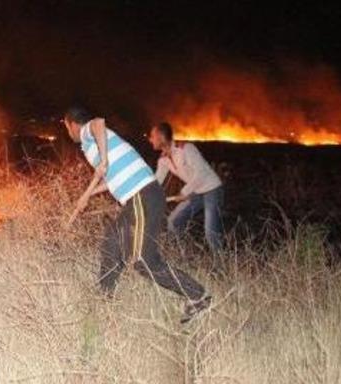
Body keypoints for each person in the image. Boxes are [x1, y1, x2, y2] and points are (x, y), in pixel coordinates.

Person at [63, 107, 210, 322]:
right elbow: (112, 176)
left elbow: (99, 122)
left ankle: (198, 296)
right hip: (136, 199)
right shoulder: (93, 145)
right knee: (111, 244)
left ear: (72, 124)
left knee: (143, 259)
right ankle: (104, 304)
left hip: (142, 195)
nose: (69, 133)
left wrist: (103, 160)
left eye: (67, 128)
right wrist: (89, 194)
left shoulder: (88, 132)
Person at [149, 122, 224, 254]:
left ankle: (222, 267)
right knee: (173, 222)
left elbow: (201, 173)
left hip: (212, 189)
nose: (150, 139)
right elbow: (156, 182)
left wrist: (184, 192)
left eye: (152, 136)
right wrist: (143, 194)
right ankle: (184, 257)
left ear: (161, 136)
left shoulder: (186, 148)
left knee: (211, 233)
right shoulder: (163, 159)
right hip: (195, 191)